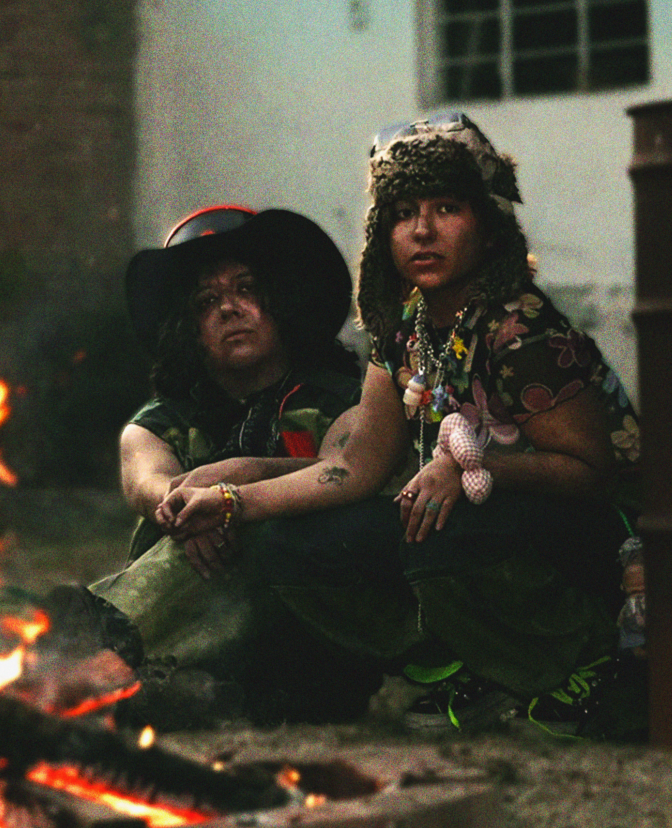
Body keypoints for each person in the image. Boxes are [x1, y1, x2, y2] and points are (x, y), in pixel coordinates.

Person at [154, 113, 643, 737]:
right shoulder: (405, 331)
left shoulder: (521, 329)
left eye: (447, 208)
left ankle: (581, 668)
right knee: (289, 545)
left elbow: (591, 474)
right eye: (403, 212)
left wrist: (470, 469)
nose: (422, 231)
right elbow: (355, 467)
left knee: (437, 529)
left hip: (595, 542)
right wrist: (235, 493)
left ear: (488, 225)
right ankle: (456, 665)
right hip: (473, 521)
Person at [85, 205, 380, 727]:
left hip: (320, 629)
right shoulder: (162, 423)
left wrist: (238, 482)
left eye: (246, 289)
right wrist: (189, 510)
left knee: (266, 526)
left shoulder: (344, 401)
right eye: (206, 301)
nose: (229, 309)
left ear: (281, 300)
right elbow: (146, 481)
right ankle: (147, 682)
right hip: (209, 638)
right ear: (188, 328)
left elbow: (348, 468)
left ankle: (88, 653)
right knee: (175, 522)